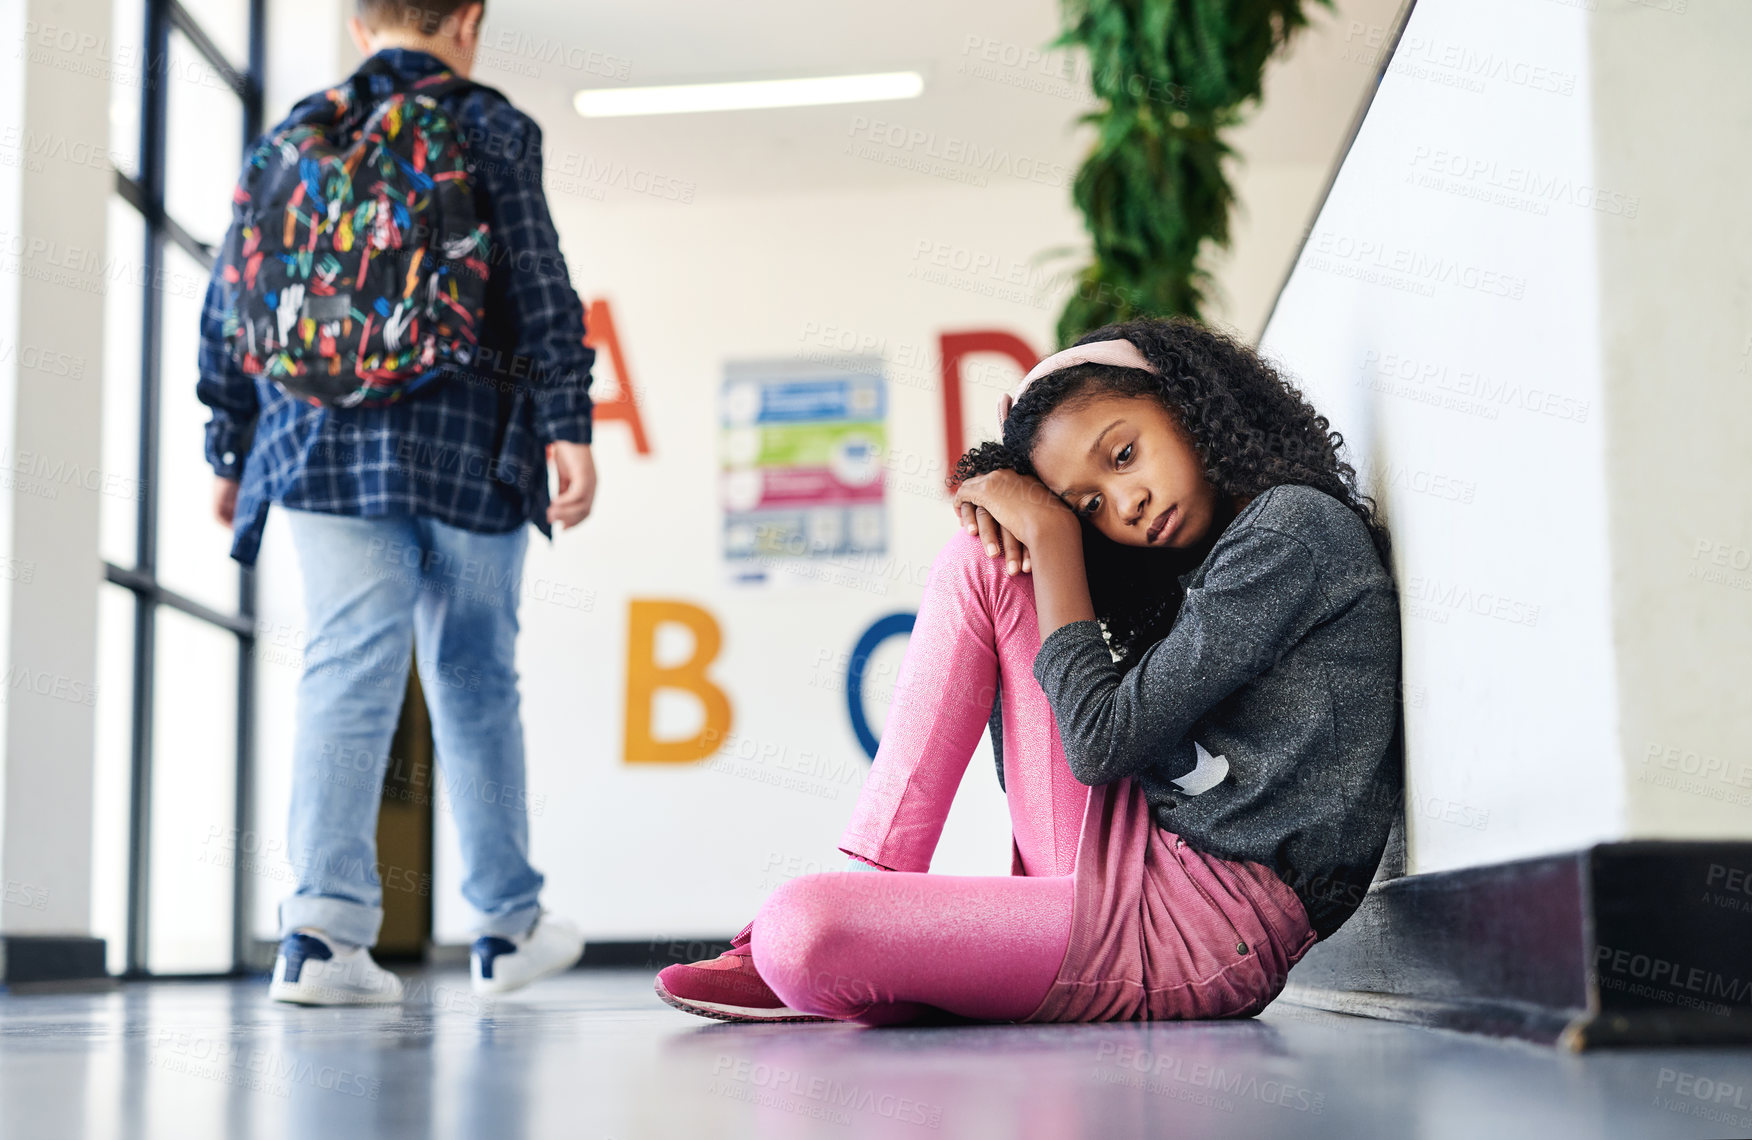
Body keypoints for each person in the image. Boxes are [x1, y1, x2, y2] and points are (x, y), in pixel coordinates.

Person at [656, 317, 1402, 1024]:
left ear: (1188, 404)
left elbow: (1101, 743)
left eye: (1122, 454)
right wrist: (1033, 525)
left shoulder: (1288, 533)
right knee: (982, 563)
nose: (1127, 502)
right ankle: (876, 892)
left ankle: (914, 960)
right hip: (1138, 847)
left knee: (801, 930)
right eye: (1091, 505)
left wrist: (1051, 531)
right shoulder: (1232, 543)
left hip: (1200, 927)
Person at [197, 0, 596, 1004]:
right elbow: (540, 287)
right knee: (474, 674)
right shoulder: (490, 124)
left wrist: (230, 447)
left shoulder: (289, 135)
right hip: (467, 436)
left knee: (347, 660)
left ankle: (323, 936)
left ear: (355, 23)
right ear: (469, 19)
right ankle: (506, 929)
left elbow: (231, 303)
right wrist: (567, 424)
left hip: (316, 442)